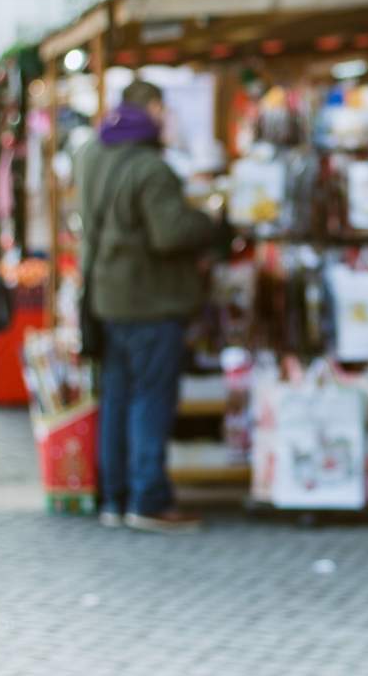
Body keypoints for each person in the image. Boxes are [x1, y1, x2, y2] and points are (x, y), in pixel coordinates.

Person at [76, 81, 221, 533]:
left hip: (107, 296)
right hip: (149, 299)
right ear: (154, 110)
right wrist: (209, 222)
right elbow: (169, 233)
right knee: (150, 399)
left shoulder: (93, 153)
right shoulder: (151, 168)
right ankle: (148, 499)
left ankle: (115, 497)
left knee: (117, 398)